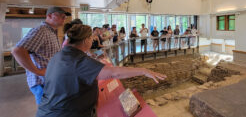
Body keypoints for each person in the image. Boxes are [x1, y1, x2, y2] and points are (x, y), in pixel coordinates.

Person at [36, 24, 166, 117]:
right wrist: (143, 70)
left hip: (48, 110)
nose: (93, 40)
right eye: (91, 38)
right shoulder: (79, 60)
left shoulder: (58, 56)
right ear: (86, 40)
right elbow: (115, 72)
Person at [12, 7, 71, 104]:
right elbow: (18, 50)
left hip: (50, 81)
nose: (64, 18)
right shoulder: (41, 30)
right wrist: (37, 71)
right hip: (42, 83)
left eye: (65, 17)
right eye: (61, 16)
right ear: (49, 15)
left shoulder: (51, 32)